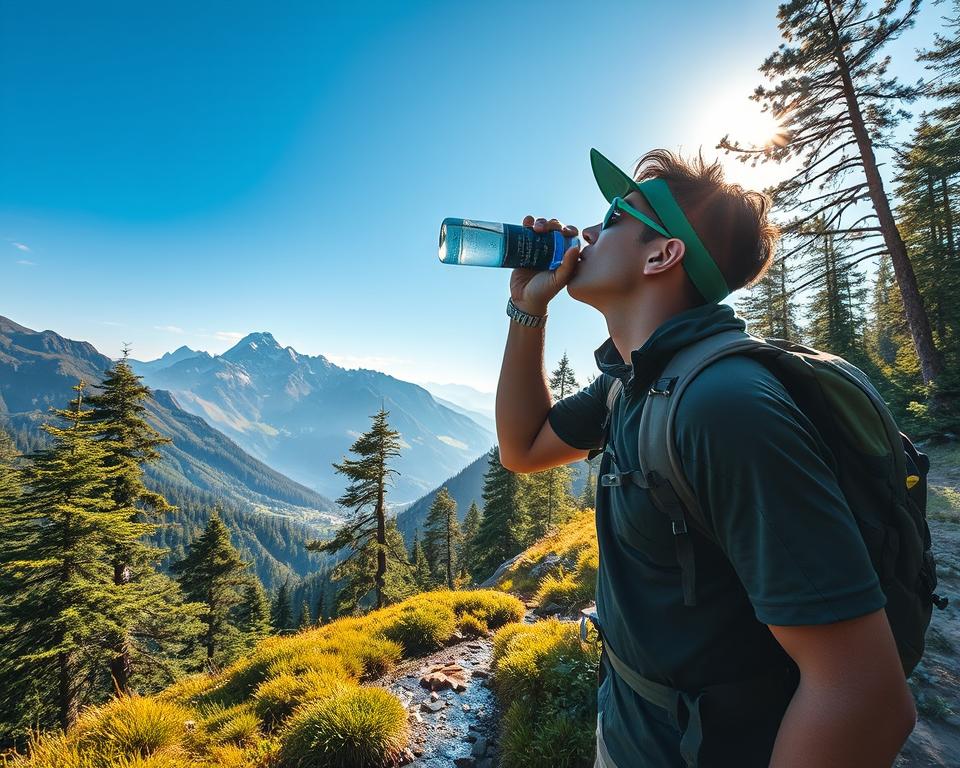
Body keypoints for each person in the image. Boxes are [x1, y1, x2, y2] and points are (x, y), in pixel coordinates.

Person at [495, 148, 917, 767]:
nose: (584, 233)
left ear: (663, 254)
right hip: (633, 731)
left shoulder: (723, 408)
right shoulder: (633, 383)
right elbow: (522, 448)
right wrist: (527, 308)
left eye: (613, 219)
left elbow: (865, 696)